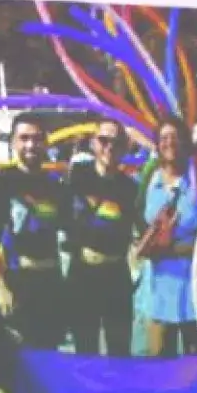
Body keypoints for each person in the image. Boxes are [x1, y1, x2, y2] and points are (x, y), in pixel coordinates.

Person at [0, 118, 72, 349]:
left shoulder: (56, 185)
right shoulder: (0, 182)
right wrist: (0, 286)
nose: (31, 145)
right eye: (24, 138)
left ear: (46, 143)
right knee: (18, 354)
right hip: (17, 282)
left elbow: (67, 235)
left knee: (49, 352)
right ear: (13, 142)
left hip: (51, 282)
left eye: (37, 139)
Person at [135, 120, 197, 356]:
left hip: (192, 288)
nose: (170, 143)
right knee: (159, 360)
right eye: (164, 138)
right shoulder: (150, 180)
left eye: (175, 137)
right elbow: (139, 227)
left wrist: (175, 249)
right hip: (157, 289)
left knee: (195, 361)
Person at [67, 121, 141, 356]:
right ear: (93, 143)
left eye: (116, 143)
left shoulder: (130, 188)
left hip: (116, 276)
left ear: (124, 148)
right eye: (103, 140)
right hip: (82, 275)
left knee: (120, 350)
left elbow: (142, 231)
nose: (109, 147)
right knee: (85, 349)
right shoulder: (76, 178)